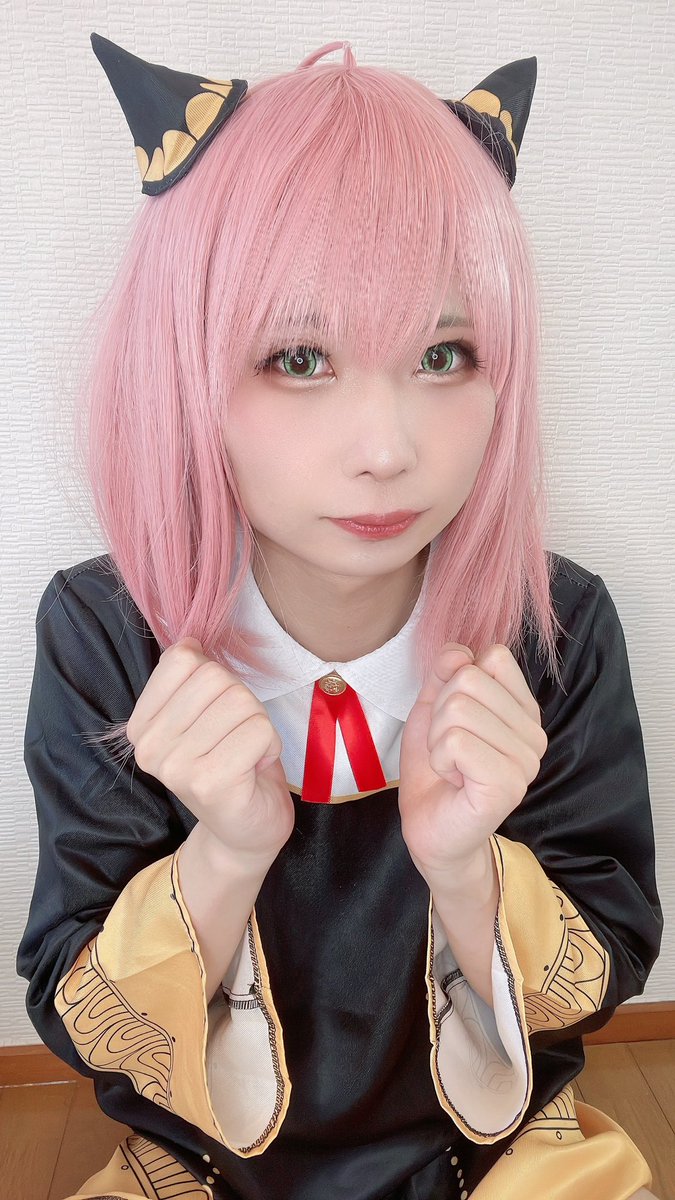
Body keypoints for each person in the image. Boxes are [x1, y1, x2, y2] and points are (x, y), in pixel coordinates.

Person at [15, 33, 663, 1200]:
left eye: (444, 353)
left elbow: (605, 964)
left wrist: (466, 867)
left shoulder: (552, 625)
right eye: (301, 356)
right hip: (198, 1166)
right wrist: (224, 852)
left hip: (499, 1156)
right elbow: (82, 1015)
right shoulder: (108, 630)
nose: (387, 449)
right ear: (186, 366)